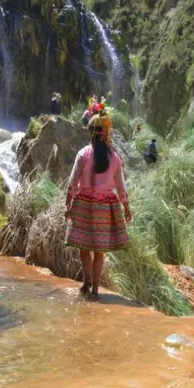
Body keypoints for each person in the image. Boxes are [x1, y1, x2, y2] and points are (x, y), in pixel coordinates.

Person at [64, 113, 131, 301]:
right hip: (104, 208)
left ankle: (86, 282)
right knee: (99, 251)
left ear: (91, 133)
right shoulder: (115, 158)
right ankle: (95, 290)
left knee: (84, 247)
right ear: (106, 133)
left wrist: (68, 202)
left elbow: (73, 180)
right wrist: (125, 206)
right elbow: (120, 185)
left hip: (84, 204)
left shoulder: (83, 154)